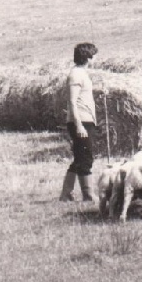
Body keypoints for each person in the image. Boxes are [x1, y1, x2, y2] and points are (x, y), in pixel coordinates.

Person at [59, 42, 99, 202]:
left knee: (80, 157)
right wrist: (79, 125)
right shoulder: (75, 75)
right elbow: (72, 101)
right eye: (94, 54)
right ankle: (88, 195)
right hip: (80, 121)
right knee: (86, 158)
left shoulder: (82, 73)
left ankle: (66, 194)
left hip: (86, 119)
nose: (96, 57)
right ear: (88, 57)